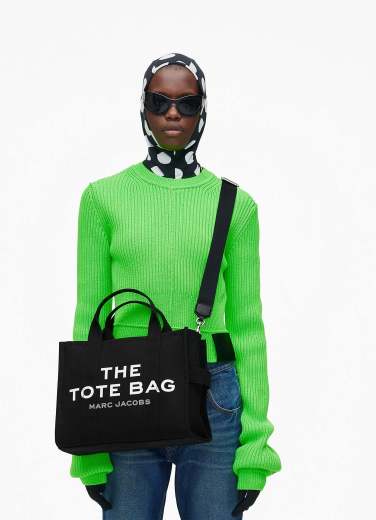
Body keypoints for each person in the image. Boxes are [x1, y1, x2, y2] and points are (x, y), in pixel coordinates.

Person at [68, 52, 282, 519]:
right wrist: (88, 448)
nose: (172, 113)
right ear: (142, 107)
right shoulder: (102, 199)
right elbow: (89, 320)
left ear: (203, 110)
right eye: (159, 101)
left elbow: (248, 328)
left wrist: (255, 448)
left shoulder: (235, 205)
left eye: (187, 103)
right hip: (125, 392)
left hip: (214, 401)